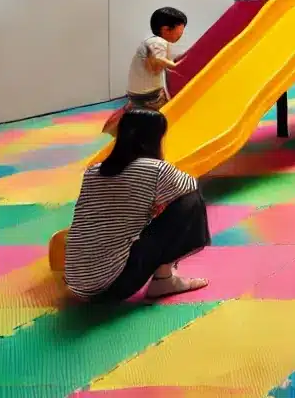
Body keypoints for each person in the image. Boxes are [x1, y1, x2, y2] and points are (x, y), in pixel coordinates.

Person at [63, 108, 210, 301]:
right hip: (112, 287)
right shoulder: (156, 169)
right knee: (191, 199)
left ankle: (160, 276)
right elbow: (189, 188)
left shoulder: (93, 171)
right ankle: (164, 279)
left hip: (75, 281)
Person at [128, 7, 188, 111]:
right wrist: (176, 66)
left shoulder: (152, 41)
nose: (180, 36)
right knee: (174, 107)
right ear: (166, 29)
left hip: (138, 93)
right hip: (149, 95)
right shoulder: (158, 42)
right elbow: (159, 59)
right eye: (179, 33)